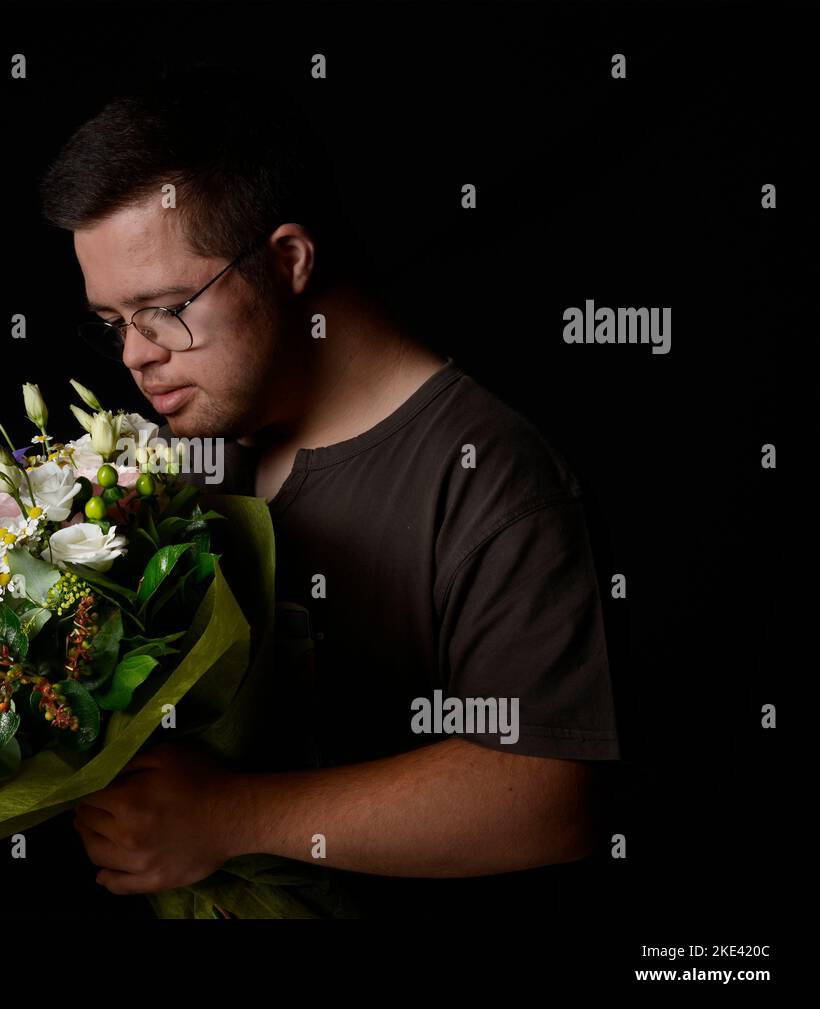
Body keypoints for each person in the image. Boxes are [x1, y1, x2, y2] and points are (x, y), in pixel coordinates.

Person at [36, 64, 621, 917]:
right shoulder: (192, 455)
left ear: (290, 260)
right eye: (112, 323)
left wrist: (229, 816)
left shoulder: (489, 475)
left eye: (164, 308)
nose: (135, 355)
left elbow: (549, 797)